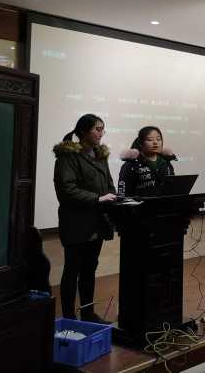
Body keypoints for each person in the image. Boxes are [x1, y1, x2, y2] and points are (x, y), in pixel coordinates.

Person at [53, 114, 116, 323]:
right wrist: (97, 198)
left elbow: (109, 184)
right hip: (76, 222)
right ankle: (69, 318)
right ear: (83, 131)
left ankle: (88, 314)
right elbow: (67, 189)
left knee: (89, 270)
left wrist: (115, 198)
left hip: (97, 222)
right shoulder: (68, 156)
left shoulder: (100, 155)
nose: (101, 133)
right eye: (97, 129)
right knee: (72, 271)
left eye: (103, 129)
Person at [118, 126, 177, 198]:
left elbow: (172, 187)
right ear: (141, 143)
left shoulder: (166, 162)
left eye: (158, 139)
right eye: (150, 140)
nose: (155, 142)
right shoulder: (131, 164)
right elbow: (123, 195)